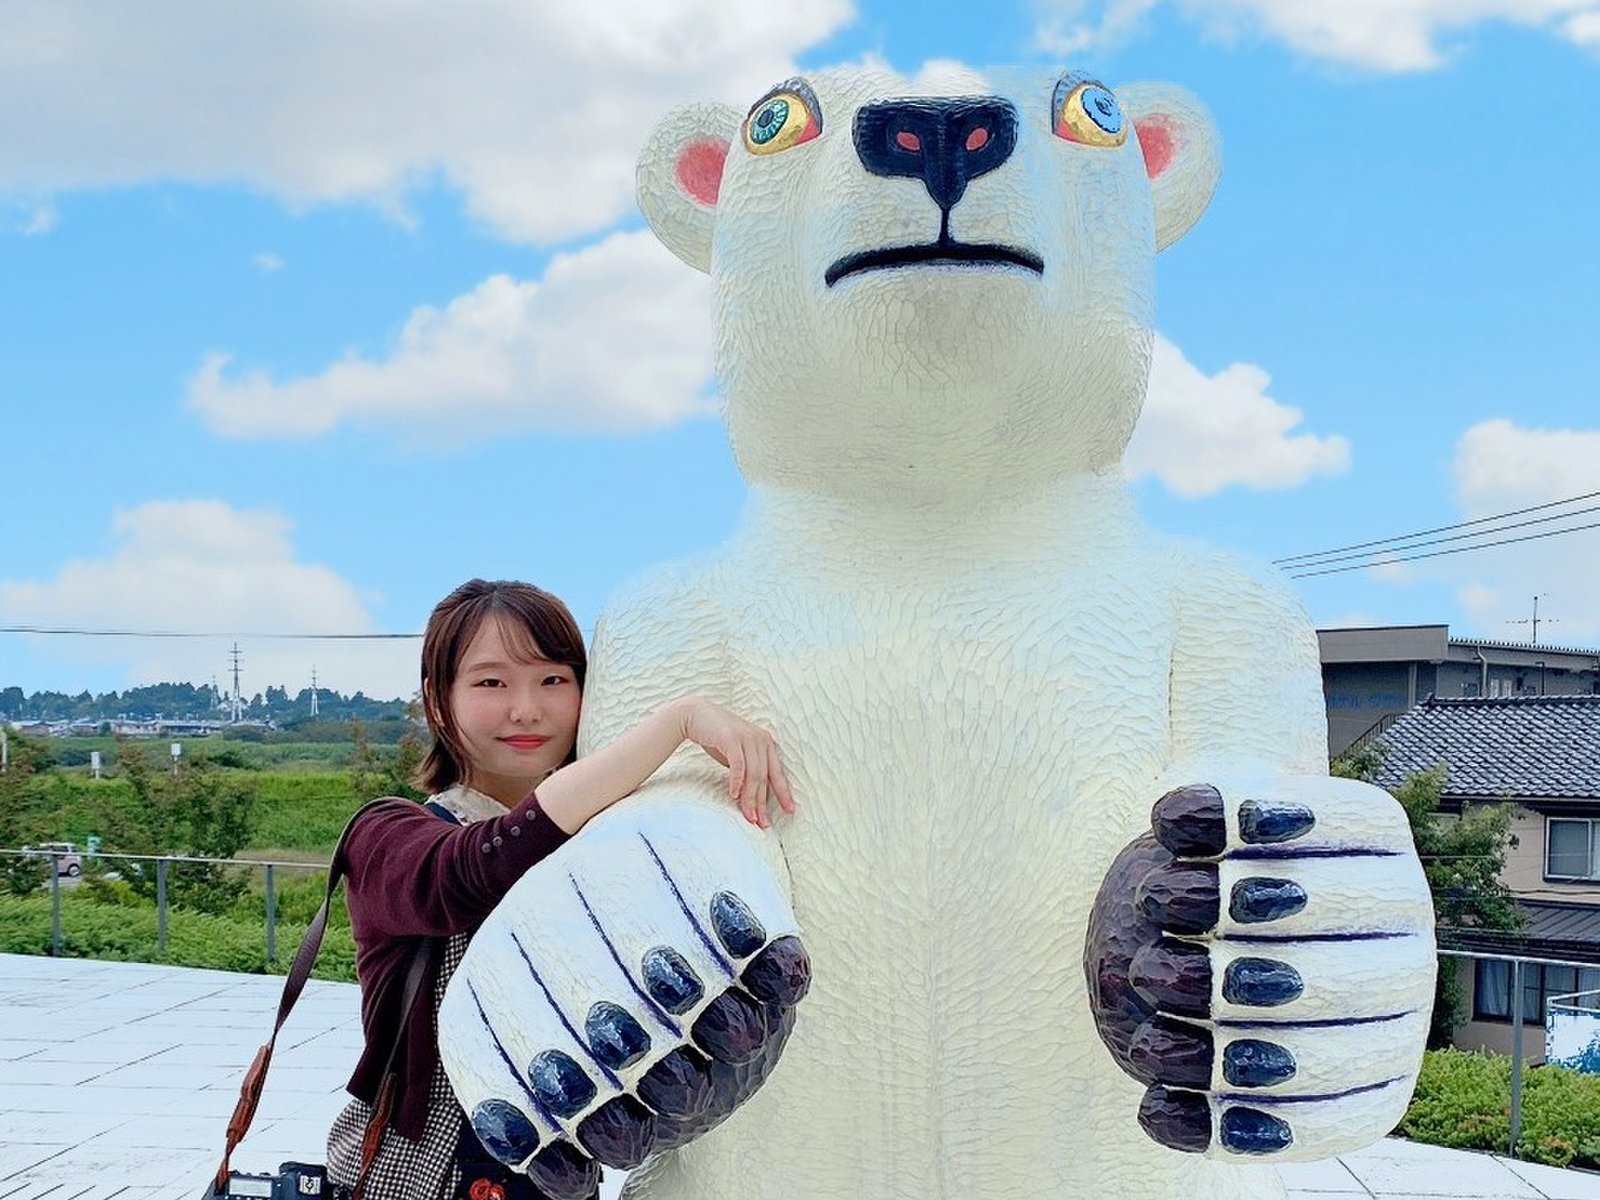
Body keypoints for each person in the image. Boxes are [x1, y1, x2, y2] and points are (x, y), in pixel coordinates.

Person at [325, 578, 793, 1199]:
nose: (527, 709)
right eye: (491, 683)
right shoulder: (387, 837)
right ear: (438, 701)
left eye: (553, 680)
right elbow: (473, 871)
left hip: (552, 1184)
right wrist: (678, 721)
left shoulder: (602, 846)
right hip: (411, 1179)